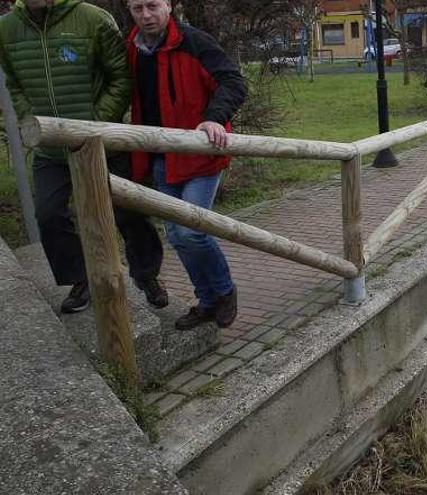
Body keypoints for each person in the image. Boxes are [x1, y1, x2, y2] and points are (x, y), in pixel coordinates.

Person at [0, 0, 166, 313]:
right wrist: (28, 119)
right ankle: (80, 278)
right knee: (48, 215)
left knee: (129, 213)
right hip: (51, 147)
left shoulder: (91, 18)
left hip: (102, 141)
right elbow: (14, 83)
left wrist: (92, 123)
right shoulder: (6, 29)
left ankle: (147, 276)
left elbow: (121, 76)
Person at [126, 0, 246, 330]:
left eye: (153, 6)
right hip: (163, 157)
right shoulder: (134, 48)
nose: (146, 15)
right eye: (137, 8)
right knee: (177, 237)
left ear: (168, 5)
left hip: (199, 154)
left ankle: (224, 291)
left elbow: (234, 82)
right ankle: (207, 302)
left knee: (191, 231)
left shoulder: (193, 42)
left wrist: (213, 118)